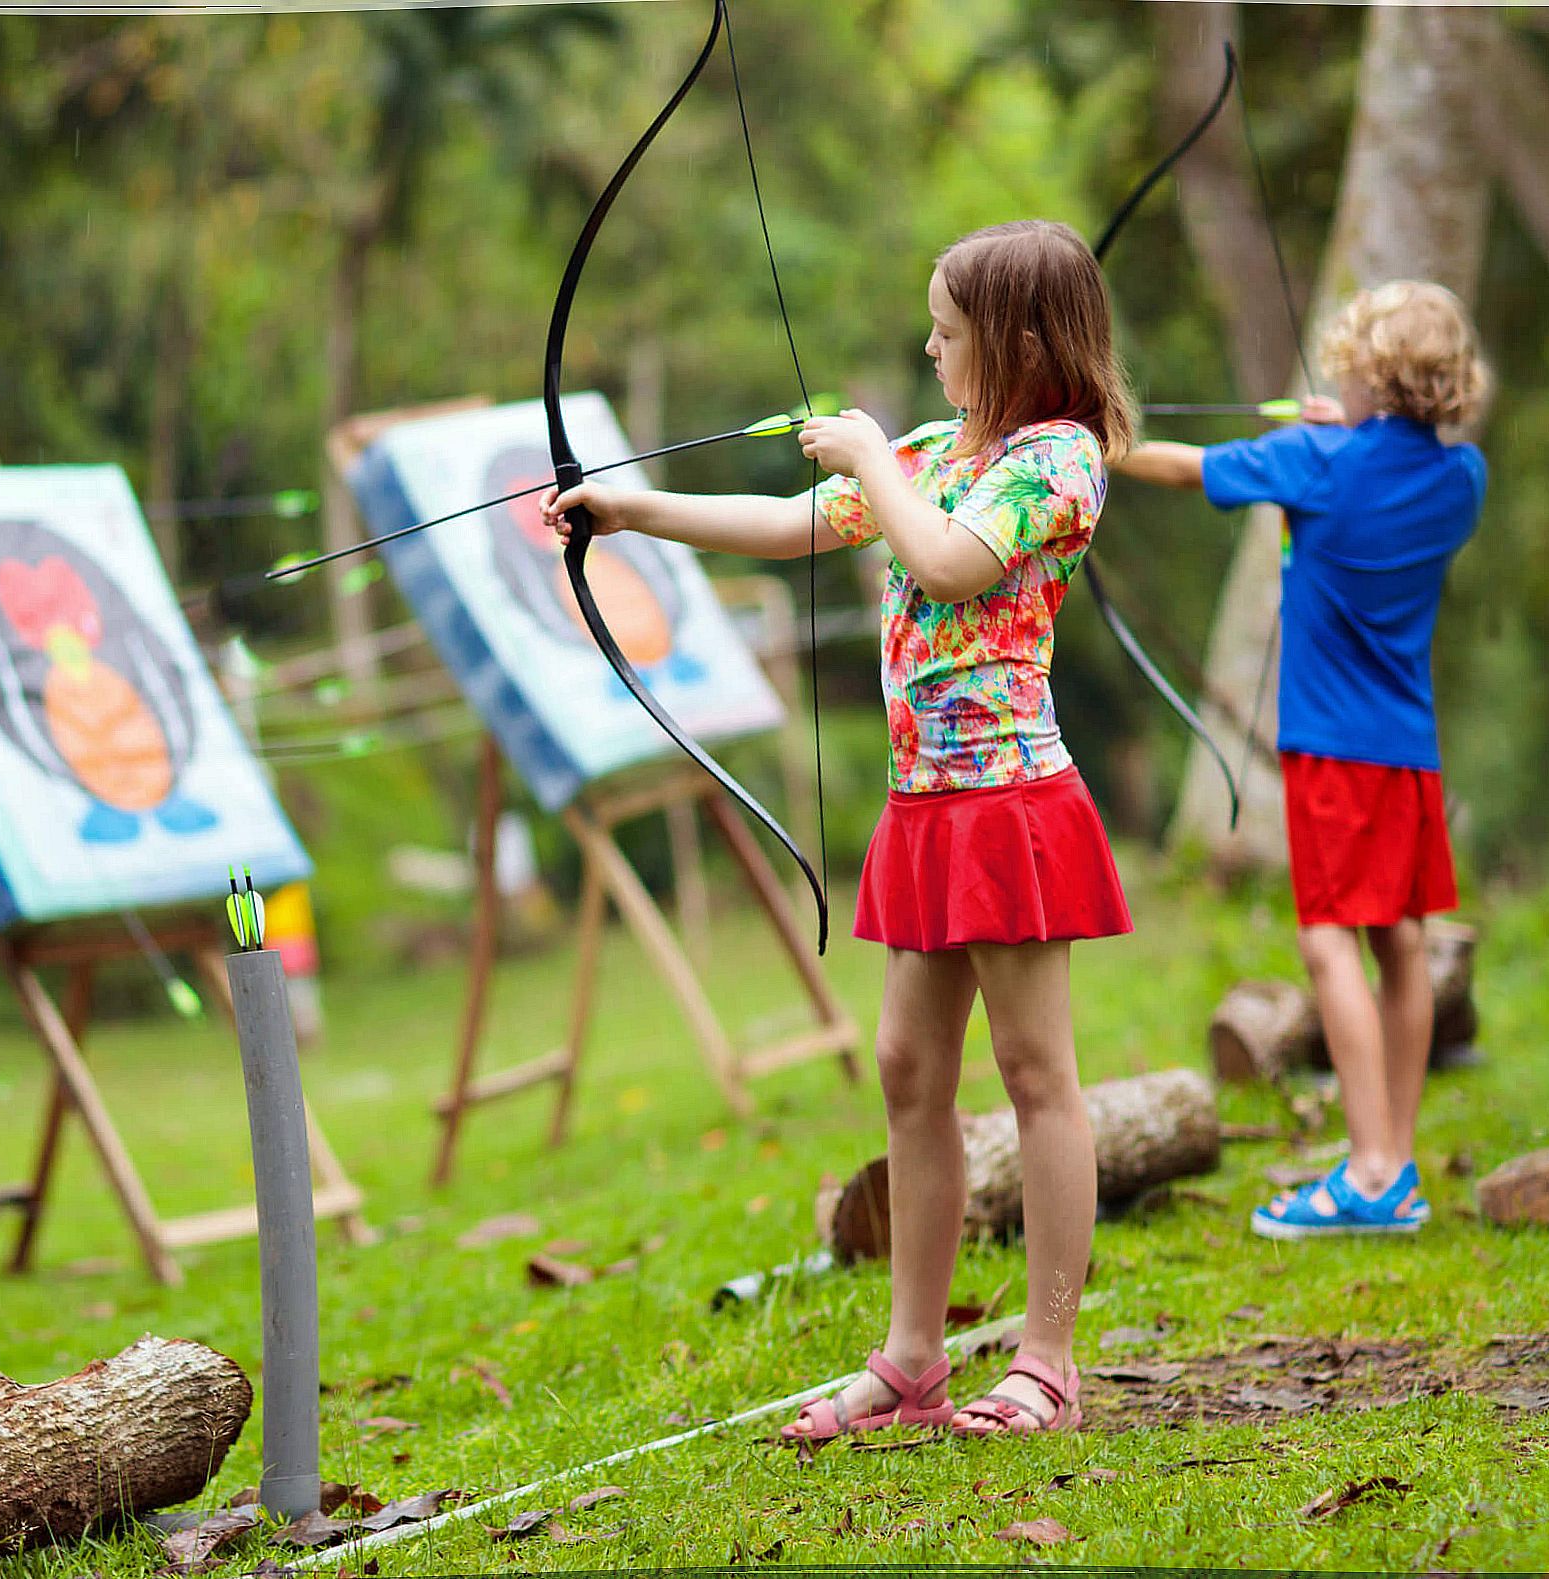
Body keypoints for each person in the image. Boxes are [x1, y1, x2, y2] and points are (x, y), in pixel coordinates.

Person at [545, 219, 1135, 1439]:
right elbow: (789, 527)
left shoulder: (1059, 461)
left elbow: (948, 561)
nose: (926, 346)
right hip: (923, 810)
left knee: (1034, 1076)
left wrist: (872, 458)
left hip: (1011, 805)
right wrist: (629, 510)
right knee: (909, 1073)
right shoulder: (926, 450)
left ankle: (1045, 1362)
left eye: (947, 329)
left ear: (1017, 341)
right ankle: (912, 1360)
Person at [1116, 279, 1489, 1239]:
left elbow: (1181, 466)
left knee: (1328, 942)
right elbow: (1383, 475)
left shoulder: (1312, 457)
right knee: (1399, 940)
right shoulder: (1463, 480)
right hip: (1407, 752)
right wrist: (1352, 431)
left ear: (1368, 374)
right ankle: (1390, 1160)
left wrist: (1090, 441)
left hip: (1332, 750)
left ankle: (1369, 1171)